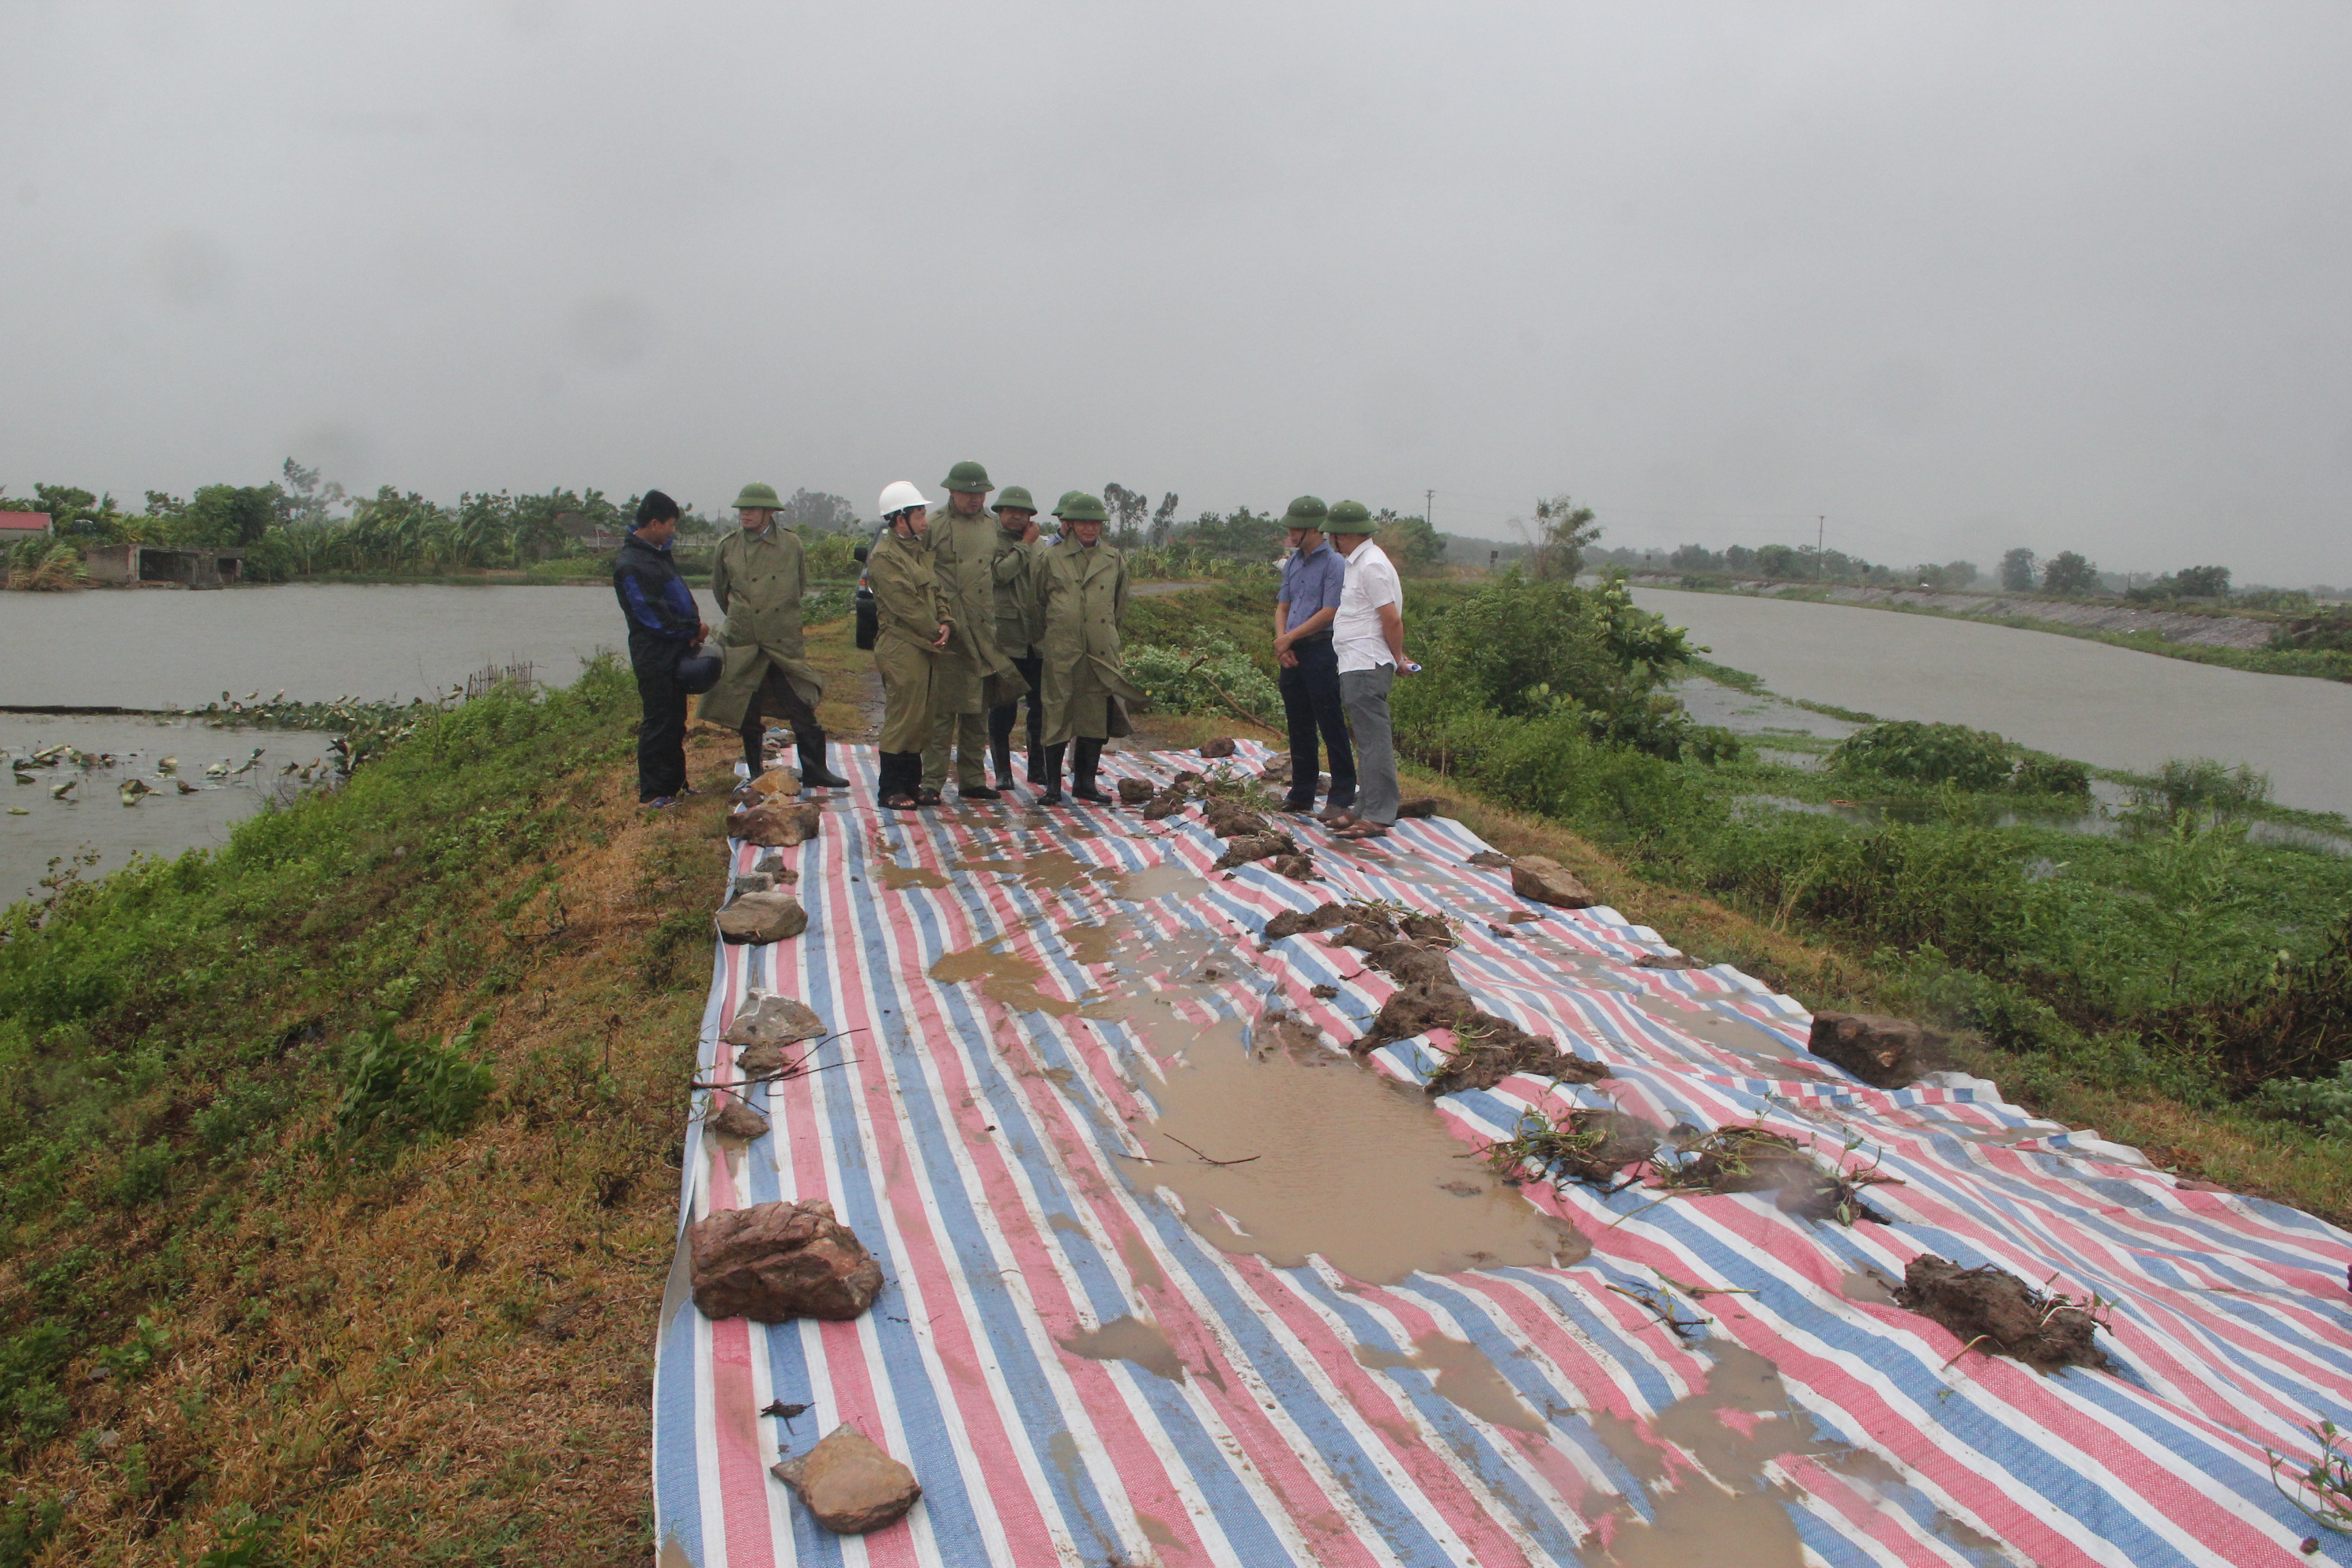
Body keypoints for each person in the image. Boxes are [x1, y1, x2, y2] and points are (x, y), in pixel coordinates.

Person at [696, 482, 849, 789]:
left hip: (782, 640)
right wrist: (745, 618)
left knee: (800, 702)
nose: (745, 514)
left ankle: (816, 770)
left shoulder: (792, 545)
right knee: (747, 708)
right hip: (745, 640)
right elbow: (720, 591)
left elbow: (799, 587)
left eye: (752, 509)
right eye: (742, 509)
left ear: (769, 512)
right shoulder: (728, 546)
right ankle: (755, 771)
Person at [1030, 492, 1142, 806]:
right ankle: (1053, 786)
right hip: (1062, 650)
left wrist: (1100, 632)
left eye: (1095, 523)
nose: (1089, 528)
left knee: (1094, 716)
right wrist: (1054, 636)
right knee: (1057, 714)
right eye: (1083, 522)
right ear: (1071, 524)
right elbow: (1036, 605)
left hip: (1099, 651)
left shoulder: (1113, 559)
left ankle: (1085, 783)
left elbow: (1119, 606)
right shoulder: (1050, 558)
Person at [923, 461, 1018, 804]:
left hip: (983, 628)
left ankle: (973, 779)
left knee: (978, 710)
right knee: (942, 711)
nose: (975, 500)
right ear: (952, 491)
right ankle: (931, 782)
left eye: (981, 494)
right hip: (948, 628)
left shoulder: (991, 527)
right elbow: (921, 576)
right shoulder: (933, 526)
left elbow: (998, 572)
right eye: (969, 494)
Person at [612, 490, 713, 807]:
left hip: (675, 649)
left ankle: (677, 785)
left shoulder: (656, 555)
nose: (672, 531)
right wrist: (691, 630)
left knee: (675, 720)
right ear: (654, 523)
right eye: (670, 525)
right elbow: (651, 617)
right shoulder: (631, 565)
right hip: (654, 654)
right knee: (658, 722)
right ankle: (652, 793)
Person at [1323, 501, 1410, 838]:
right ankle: (1365, 807)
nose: (1333, 540)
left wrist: (1399, 657)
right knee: (1367, 741)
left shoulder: (1371, 565)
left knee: (1375, 742)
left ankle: (1379, 813)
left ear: (1345, 534)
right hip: (1356, 662)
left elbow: (1391, 618)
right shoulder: (1358, 564)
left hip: (1365, 663)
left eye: (1334, 534)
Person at [867, 480, 952, 811]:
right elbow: (907, 605)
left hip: (925, 646)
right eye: (918, 514)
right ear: (899, 519)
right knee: (903, 717)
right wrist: (935, 628)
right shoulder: (885, 558)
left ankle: (911, 785)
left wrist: (947, 622)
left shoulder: (918, 552)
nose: (924, 521)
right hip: (902, 646)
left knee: (922, 717)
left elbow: (936, 592)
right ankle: (891, 788)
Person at [1270, 495, 1354, 816]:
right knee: (1298, 721)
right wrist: (1283, 641)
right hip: (1292, 650)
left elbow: (1330, 611)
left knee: (1329, 720)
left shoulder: (1335, 564)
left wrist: (1290, 636)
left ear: (1313, 530)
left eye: (1295, 530)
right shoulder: (1293, 562)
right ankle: (1302, 791)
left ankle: (1341, 794)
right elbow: (1283, 605)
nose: (1290, 535)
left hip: (1321, 648)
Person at [985, 485, 1046, 791]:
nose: (1015, 516)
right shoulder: (991, 542)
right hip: (1006, 639)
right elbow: (1000, 574)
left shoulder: (1040, 546)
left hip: (1036, 640)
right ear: (999, 513)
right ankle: (1003, 772)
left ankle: (1038, 768)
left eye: (1022, 512)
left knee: (1040, 707)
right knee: (1003, 708)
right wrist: (1024, 544)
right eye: (1010, 511)